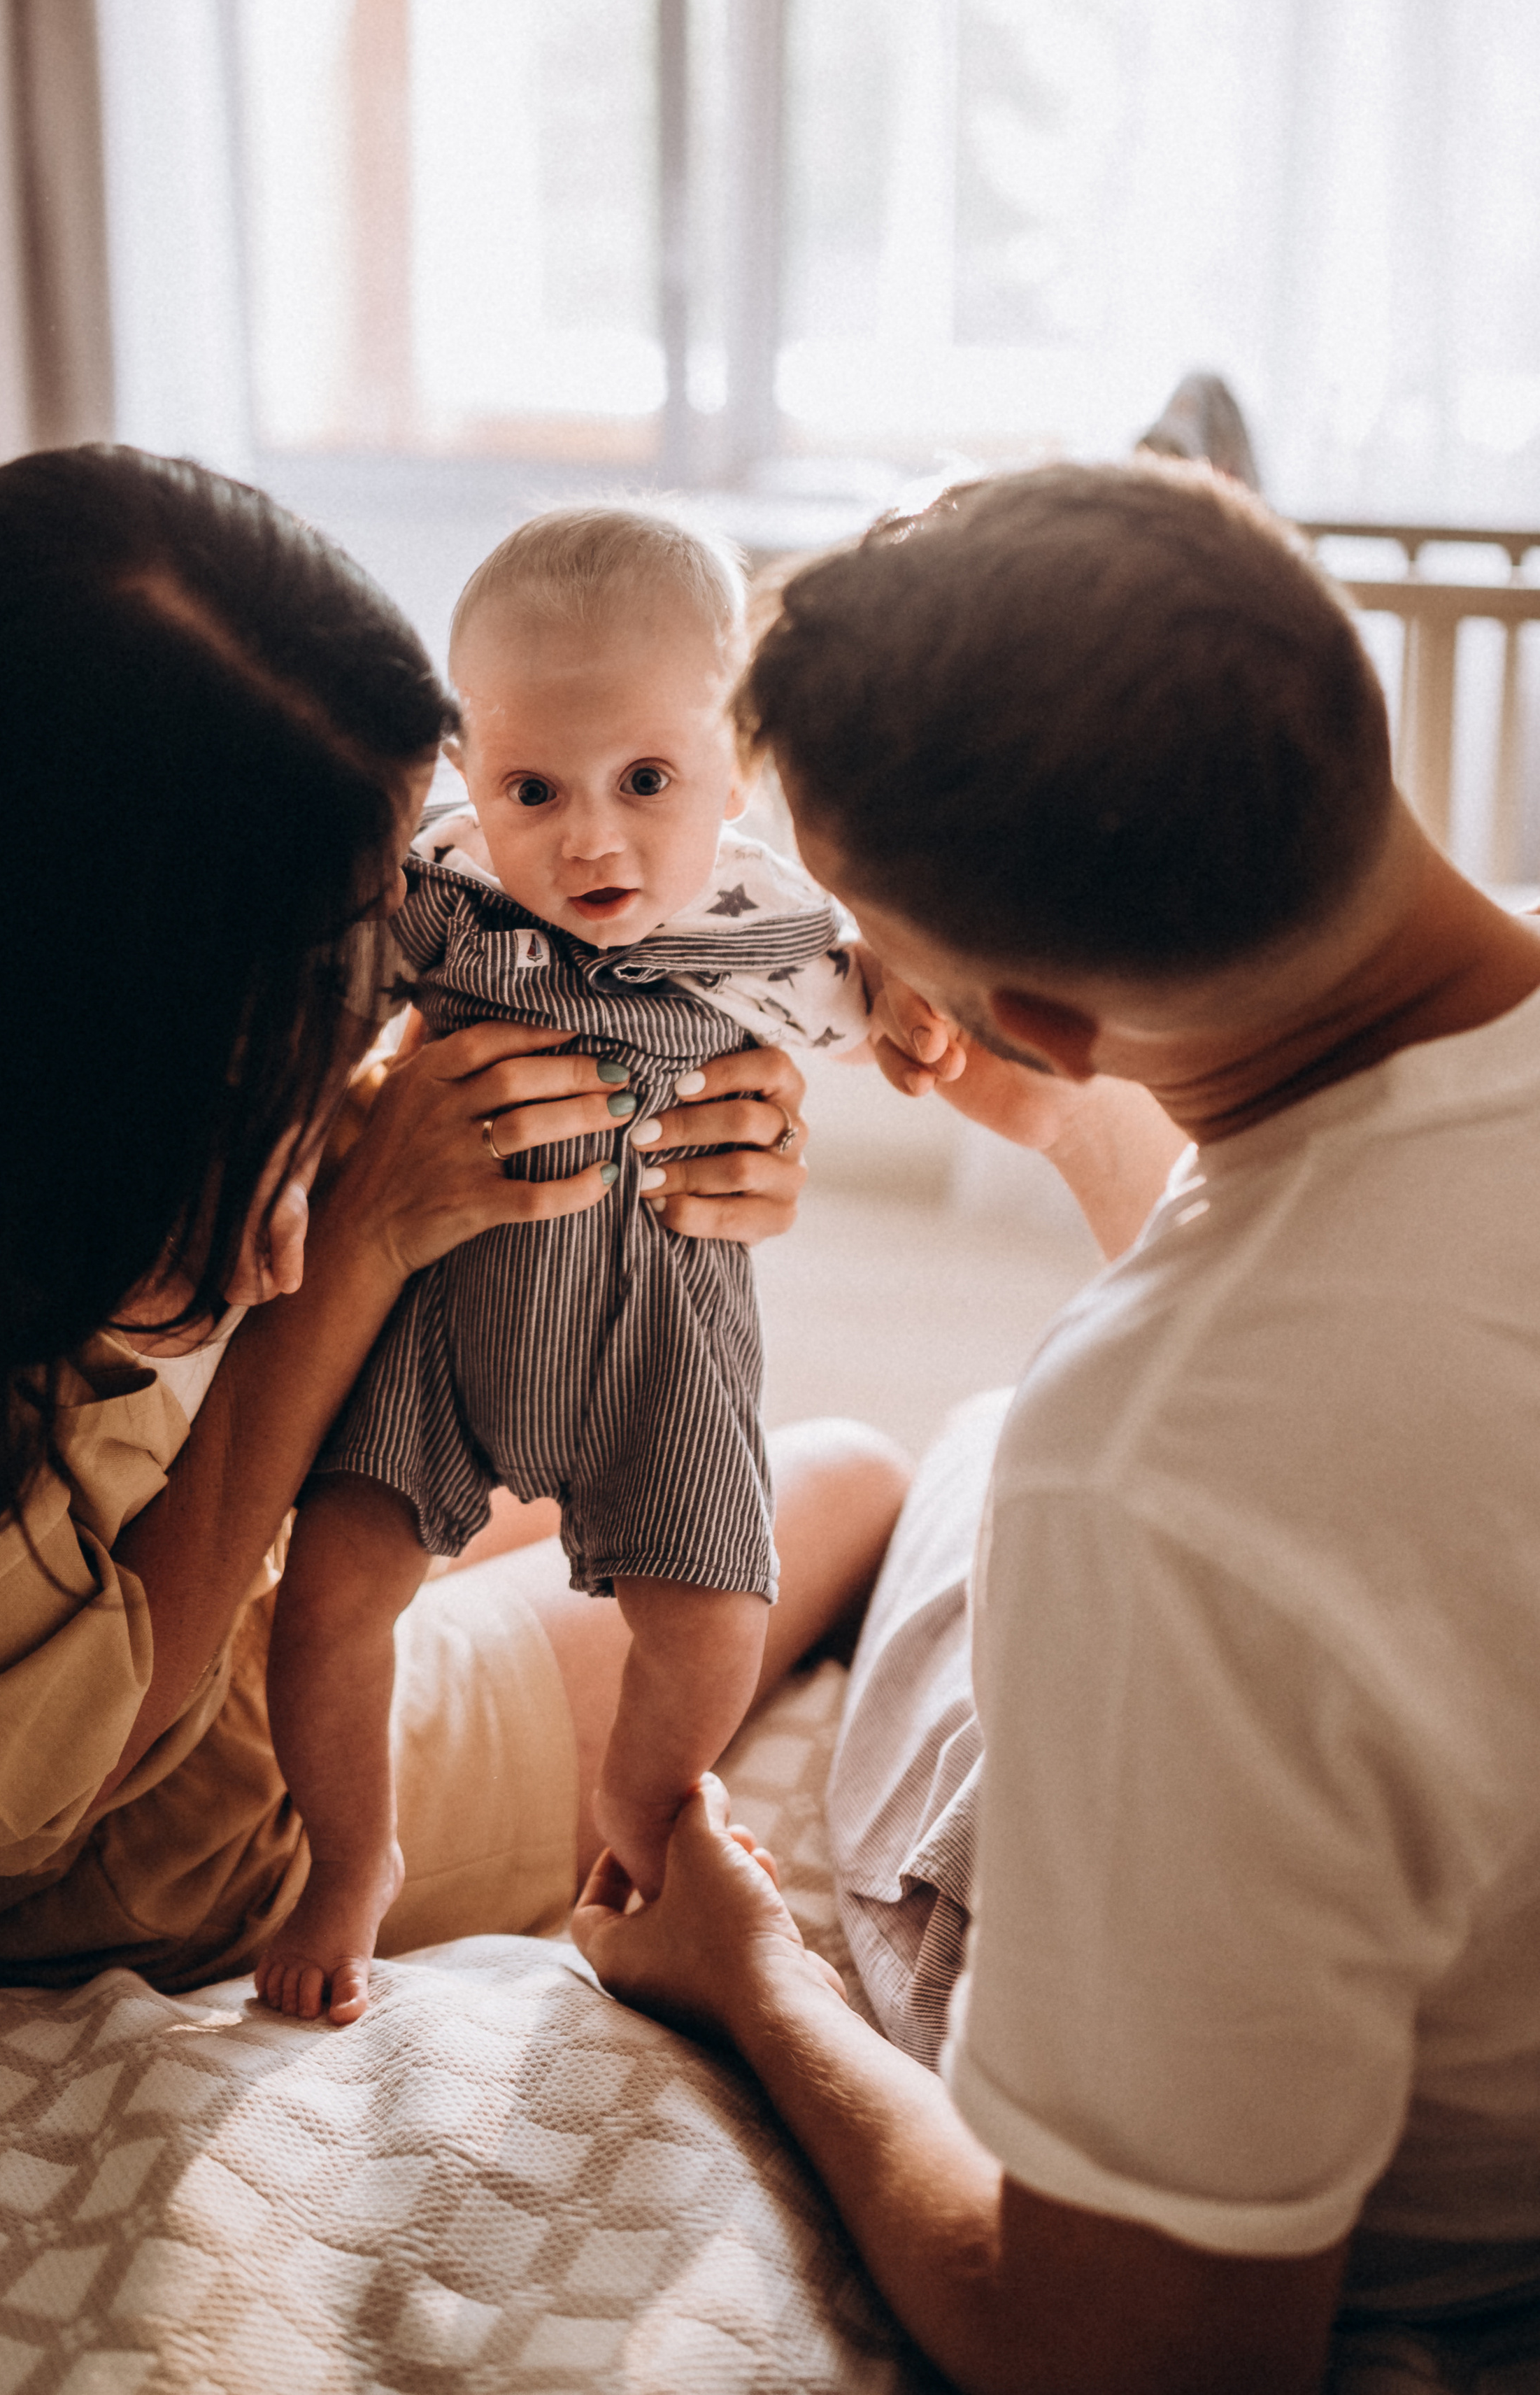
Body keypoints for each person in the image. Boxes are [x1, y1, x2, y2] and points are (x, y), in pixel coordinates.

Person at [573, 457, 1540, 2395]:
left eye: (856, 933)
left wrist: (741, 1973)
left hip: (1415, 2229)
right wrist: (1058, 1078)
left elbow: (1126, 2349)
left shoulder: (1152, 1471)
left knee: (982, 1449)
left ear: (1034, 1019)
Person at [0, 445, 907, 1995]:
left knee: (606, 1473)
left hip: (198, 1519)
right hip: (142, 1819)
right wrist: (354, 1239)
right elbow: (82, 1753)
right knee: (844, 1481)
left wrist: (678, 1127)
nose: (380, 983)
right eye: (329, 970)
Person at [255, 505, 876, 2021]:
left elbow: (892, 994)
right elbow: (319, 994)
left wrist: (893, 1025)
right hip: (439, 1323)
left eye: (647, 782)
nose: (590, 838)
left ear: (734, 776)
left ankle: (641, 1810)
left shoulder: (770, 923)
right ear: (466, 774)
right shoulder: (442, 897)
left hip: (659, 1335)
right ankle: (350, 1856)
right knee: (328, 1600)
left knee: (715, 1611)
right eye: (532, 787)